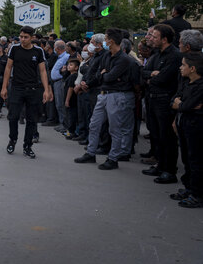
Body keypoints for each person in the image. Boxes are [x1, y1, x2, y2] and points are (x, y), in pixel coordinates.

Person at [75, 28, 135, 170]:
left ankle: (113, 158)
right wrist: (100, 77)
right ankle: (91, 152)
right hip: (103, 93)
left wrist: (104, 75)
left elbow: (109, 76)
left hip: (116, 95)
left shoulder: (124, 59)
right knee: (94, 124)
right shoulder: (107, 56)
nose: (105, 42)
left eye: (106, 39)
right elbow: (100, 74)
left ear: (111, 41)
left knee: (115, 128)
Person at [0, 26, 52, 158]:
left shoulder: (38, 51)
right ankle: (13, 140)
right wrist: (4, 87)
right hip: (17, 88)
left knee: (32, 119)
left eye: (26, 37)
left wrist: (46, 90)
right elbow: (8, 68)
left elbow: (42, 71)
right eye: (21, 37)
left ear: (32, 37)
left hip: (33, 89)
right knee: (13, 116)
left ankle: (27, 145)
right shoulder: (15, 48)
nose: (22, 39)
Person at [141, 24, 181, 183]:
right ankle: (160, 164)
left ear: (164, 39)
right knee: (156, 134)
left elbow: (164, 78)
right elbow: (142, 72)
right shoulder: (156, 55)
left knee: (167, 137)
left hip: (165, 100)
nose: (151, 39)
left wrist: (152, 78)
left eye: (155, 36)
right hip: (152, 98)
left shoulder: (175, 56)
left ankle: (169, 170)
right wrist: (151, 75)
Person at [170, 52, 203, 208]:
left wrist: (182, 105)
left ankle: (197, 193)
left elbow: (186, 105)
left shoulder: (200, 86)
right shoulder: (185, 82)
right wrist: (181, 105)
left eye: (184, 65)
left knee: (196, 159)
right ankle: (189, 187)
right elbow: (175, 100)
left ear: (193, 68)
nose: (180, 67)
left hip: (195, 126)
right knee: (187, 158)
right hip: (183, 123)